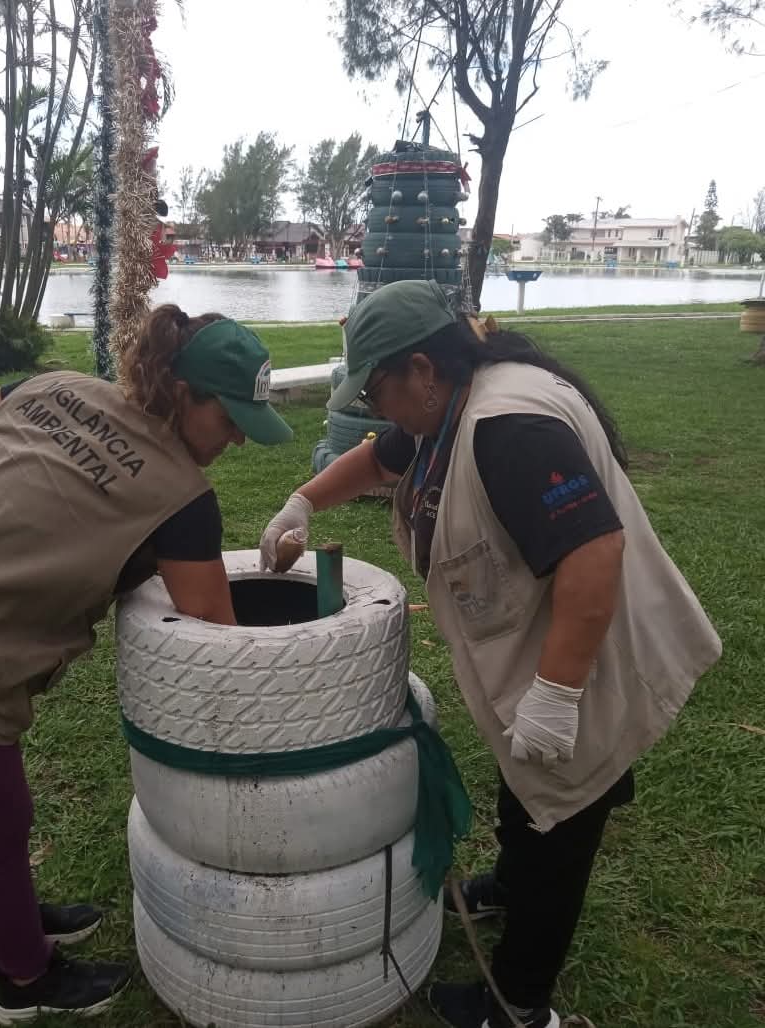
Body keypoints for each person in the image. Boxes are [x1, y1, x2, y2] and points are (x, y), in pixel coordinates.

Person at [259, 280, 721, 1028]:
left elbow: (595, 553)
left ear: (421, 368)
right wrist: (302, 502)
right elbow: (379, 460)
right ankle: (509, 884)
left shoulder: (507, 428)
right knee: (525, 788)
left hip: (588, 650)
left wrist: (557, 694)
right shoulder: (449, 402)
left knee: (562, 825)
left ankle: (518, 1002)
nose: (374, 408)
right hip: (546, 640)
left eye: (375, 390)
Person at [0, 306, 292, 1024]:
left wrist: (7, 538)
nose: (238, 437)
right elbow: (213, 622)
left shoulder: (49, 387)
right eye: (230, 418)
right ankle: (25, 980)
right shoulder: (182, 496)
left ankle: (8, 918)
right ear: (184, 392)